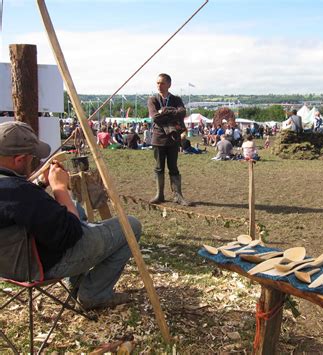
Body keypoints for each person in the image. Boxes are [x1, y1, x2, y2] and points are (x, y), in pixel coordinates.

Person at [0, 121, 142, 310]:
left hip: (7, 263)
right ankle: (93, 295)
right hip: (38, 265)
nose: (34, 161)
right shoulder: (20, 192)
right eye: (31, 158)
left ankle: (76, 283)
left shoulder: (13, 190)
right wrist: (59, 188)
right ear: (18, 159)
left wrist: (41, 184)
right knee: (130, 225)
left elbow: (17, 209)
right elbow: (71, 233)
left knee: (77, 208)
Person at [147, 73, 192, 206]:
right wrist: (172, 113)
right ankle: (159, 194)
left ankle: (178, 196)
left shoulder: (176, 99)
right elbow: (155, 117)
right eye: (157, 83)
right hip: (158, 138)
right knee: (159, 168)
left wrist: (165, 111)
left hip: (173, 138)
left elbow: (182, 112)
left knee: (173, 167)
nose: (159, 86)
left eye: (162, 83)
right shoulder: (152, 99)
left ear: (169, 84)